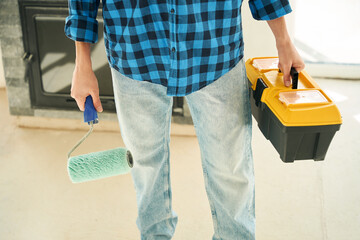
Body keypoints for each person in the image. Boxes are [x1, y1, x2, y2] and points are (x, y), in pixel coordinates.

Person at [65, 0, 304, 239]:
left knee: (230, 167)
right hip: (135, 50)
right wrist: (82, 62)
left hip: (215, 49)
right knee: (145, 165)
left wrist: (283, 39)